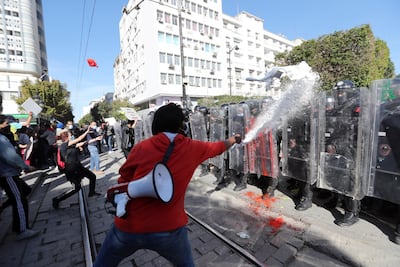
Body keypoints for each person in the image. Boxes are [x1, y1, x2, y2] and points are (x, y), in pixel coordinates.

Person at [94, 103, 241, 267]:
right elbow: (219, 147)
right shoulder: (193, 147)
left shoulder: (141, 147)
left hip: (129, 227)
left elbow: (124, 181)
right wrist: (234, 139)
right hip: (170, 230)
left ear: (156, 124)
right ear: (182, 125)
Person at [0, 114, 40, 240]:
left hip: (11, 173)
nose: (9, 127)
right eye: (7, 124)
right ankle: (22, 229)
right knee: (19, 201)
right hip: (8, 174)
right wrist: (25, 166)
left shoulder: (5, 137)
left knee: (25, 192)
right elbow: (10, 156)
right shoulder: (1, 139)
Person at [52, 128, 101, 209]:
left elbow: (83, 143)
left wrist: (96, 139)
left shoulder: (71, 145)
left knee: (92, 177)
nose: (71, 136)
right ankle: (57, 199)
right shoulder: (63, 145)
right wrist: (86, 132)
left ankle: (91, 193)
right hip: (71, 169)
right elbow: (78, 139)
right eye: (69, 135)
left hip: (78, 166)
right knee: (76, 188)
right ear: (66, 137)